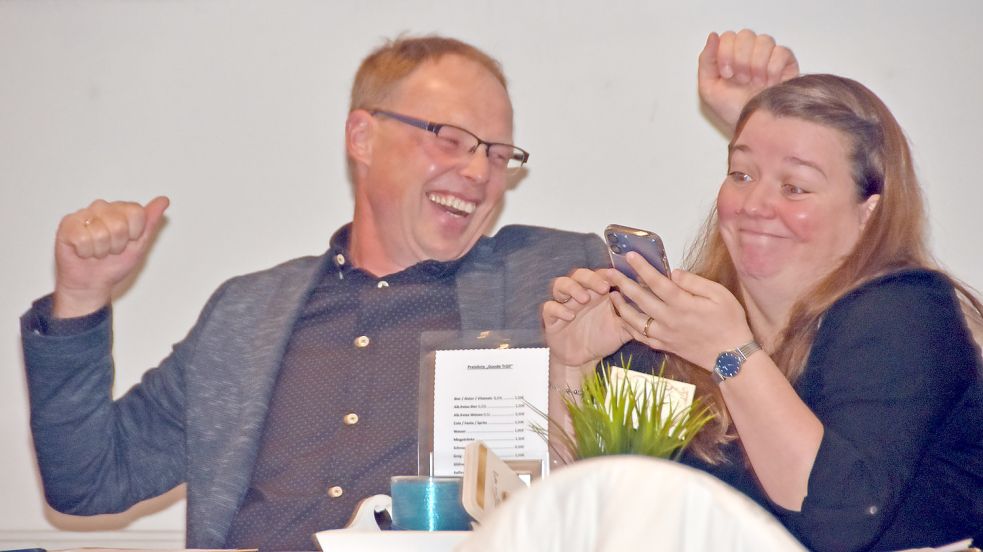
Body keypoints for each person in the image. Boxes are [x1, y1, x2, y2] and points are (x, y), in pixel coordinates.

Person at [20, 31, 796, 549]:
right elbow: (89, 481)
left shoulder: (555, 277)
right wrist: (81, 300)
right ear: (363, 137)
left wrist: (761, 126)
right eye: (450, 139)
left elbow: (726, 351)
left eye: (498, 152)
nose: (479, 172)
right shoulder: (245, 313)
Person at [545, 73, 983, 550]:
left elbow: (837, 522)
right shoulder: (687, 326)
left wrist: (730, 354)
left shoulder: (904, 312)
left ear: (868, 211)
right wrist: (573, 361)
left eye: (794, 187)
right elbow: (587, 514)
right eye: (742, 174)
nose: (754, 204)